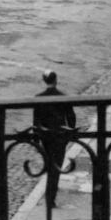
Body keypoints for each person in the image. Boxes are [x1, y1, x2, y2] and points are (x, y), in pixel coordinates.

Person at [31, 70, 76, 210]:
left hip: (46, 137)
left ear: (44, 81)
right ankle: (51, 198)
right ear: (56, 80)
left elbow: (36, 121)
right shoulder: (63, 97)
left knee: (49, 164)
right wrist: (70, 133)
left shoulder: (39, 98)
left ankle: (49, 196)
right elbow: (71, 117)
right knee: (56, 167)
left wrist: (36, 140)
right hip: (60, 136)